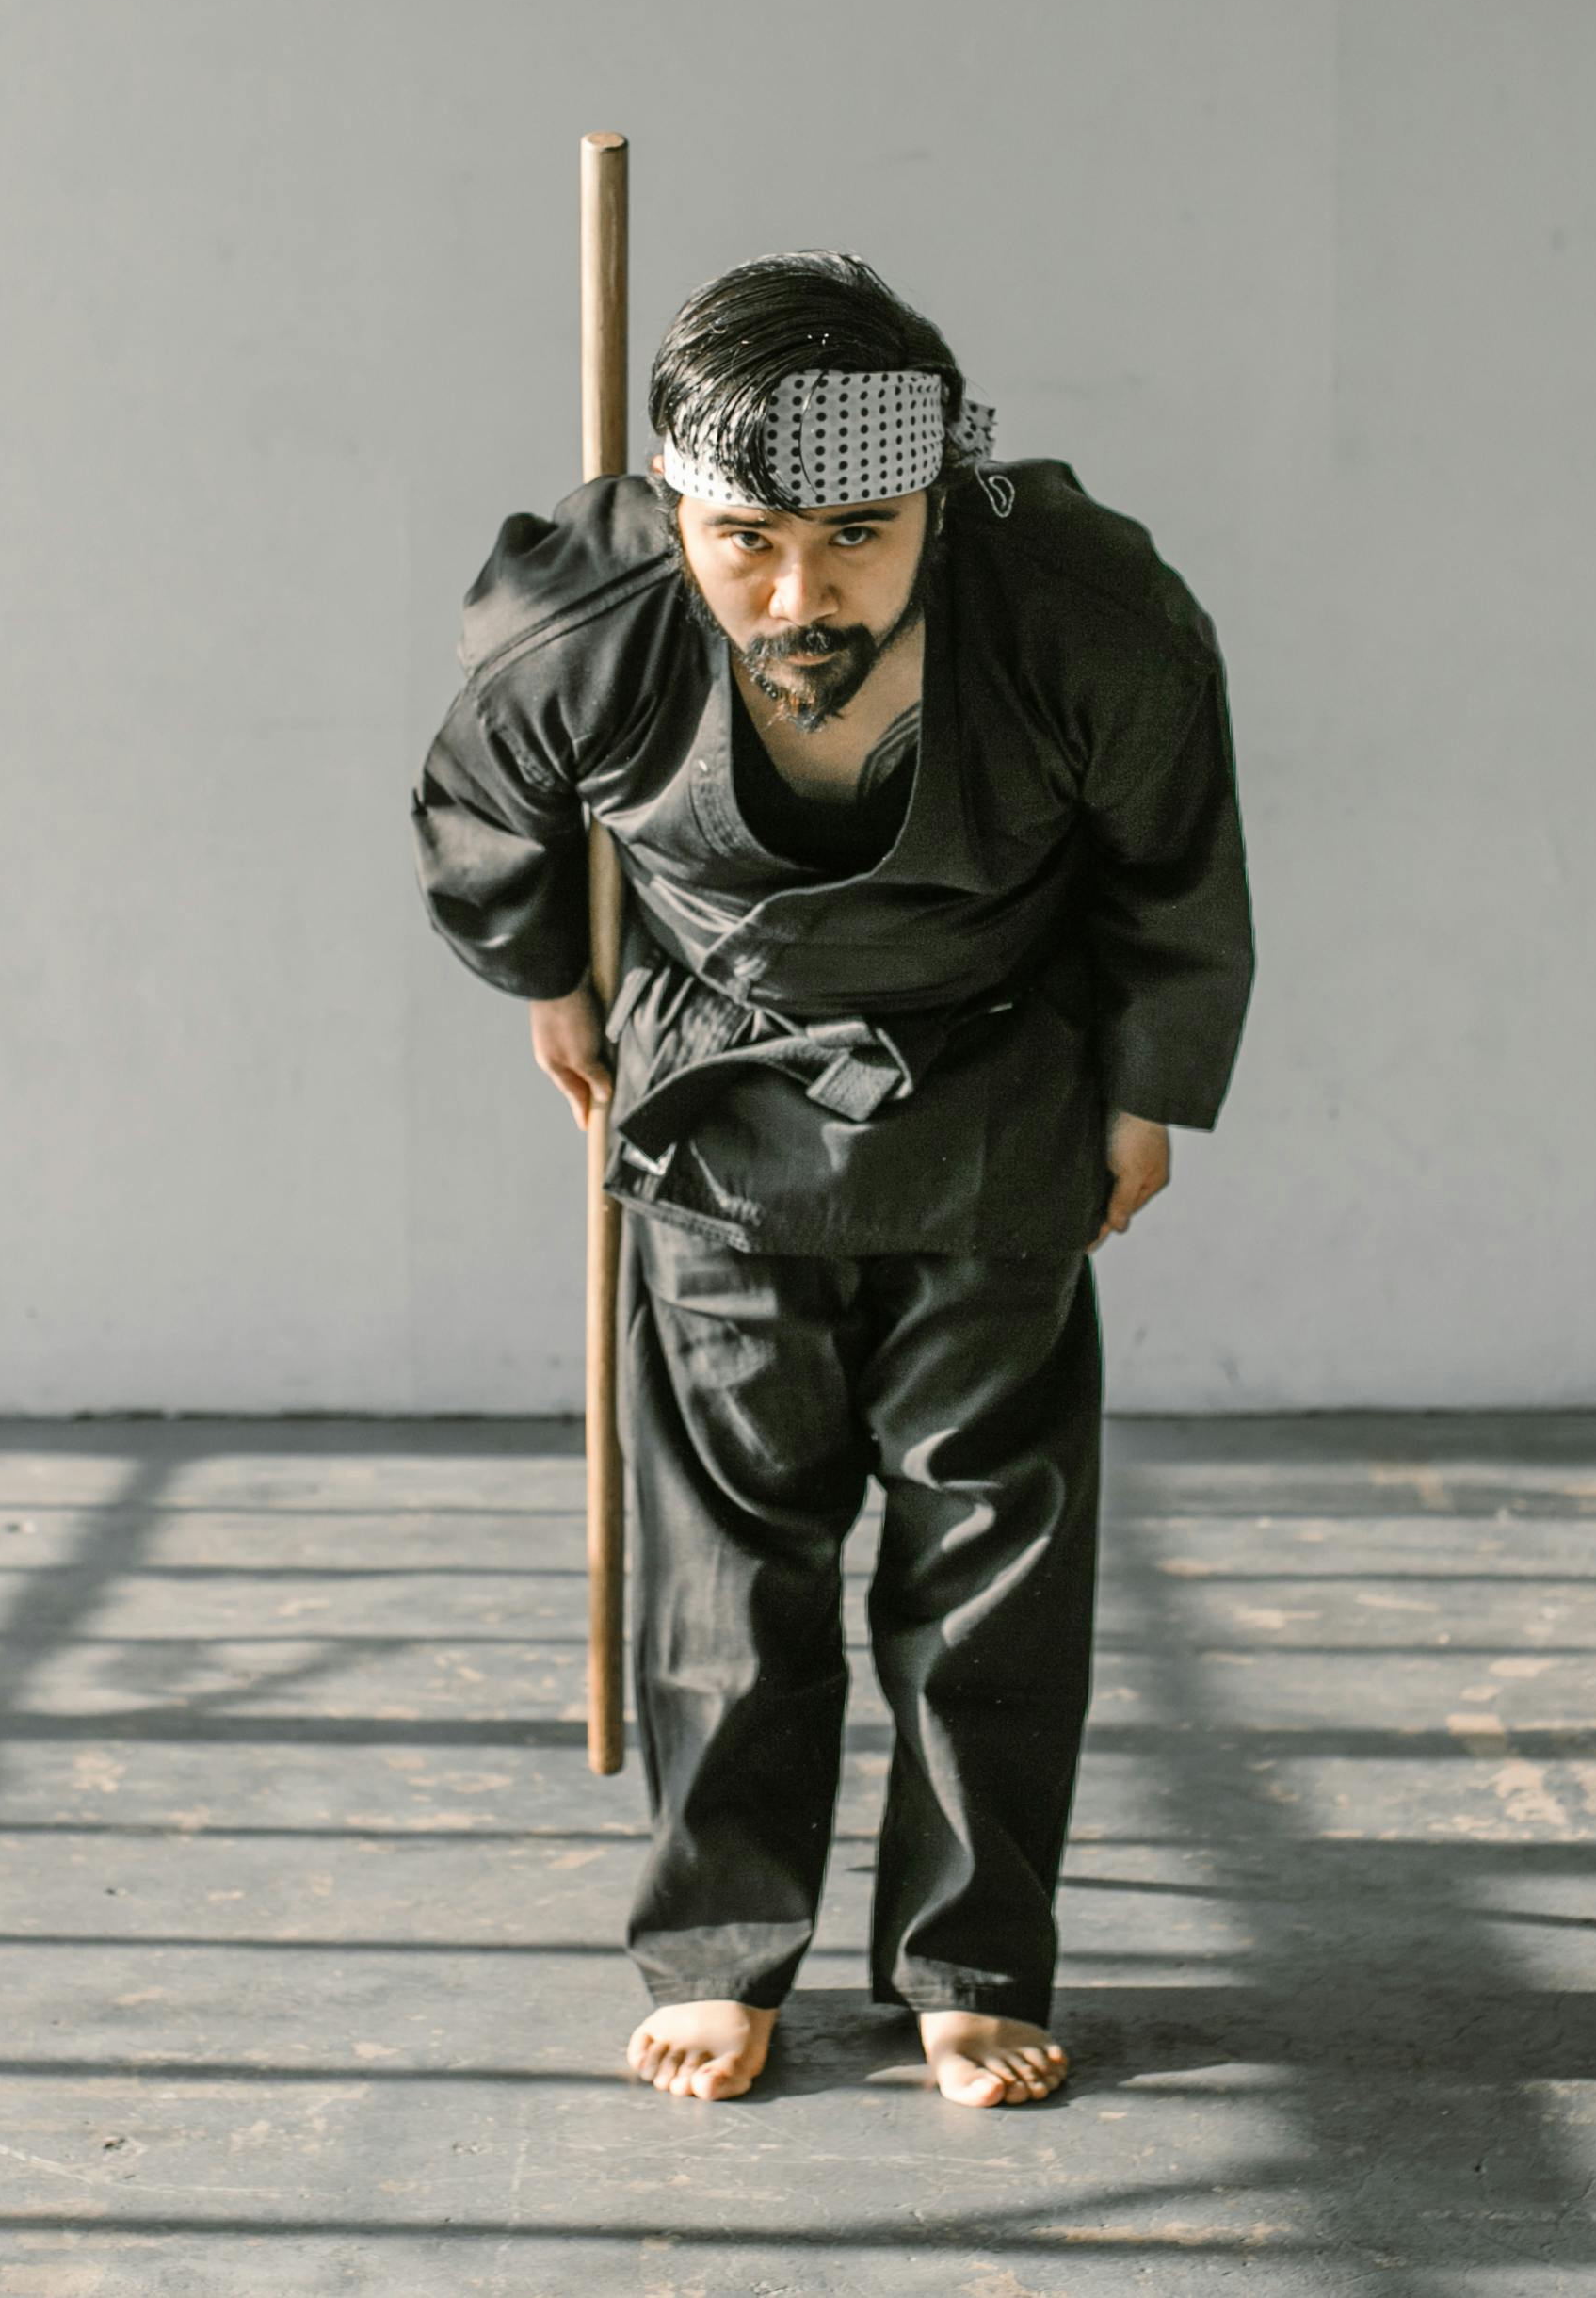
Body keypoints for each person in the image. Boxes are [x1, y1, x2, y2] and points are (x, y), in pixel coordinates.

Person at [411, 251, 1251, 2107]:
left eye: (858, 535)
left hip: (998, 1105)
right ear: (680, 508)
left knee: (991, 1564)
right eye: (744, 538)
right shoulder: (589, 619)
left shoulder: (1086, 616)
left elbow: (1173, 873)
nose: (798, 592)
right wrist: (557, 979)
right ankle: (723, 1947)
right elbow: (485, 818)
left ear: (939, 493)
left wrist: (1148, 1091)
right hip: (716, 1118)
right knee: (729, 1562)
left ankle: (967, 1955)